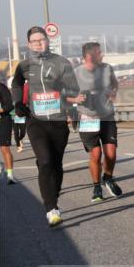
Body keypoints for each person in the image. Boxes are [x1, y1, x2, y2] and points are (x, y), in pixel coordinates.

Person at [11, 26, 84, 226]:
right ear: (29, 44)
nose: (38, 44)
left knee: (56, 165)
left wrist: (73, 109)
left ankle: (54, 196)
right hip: (36, 121)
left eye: (41, 40)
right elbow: (16, 84)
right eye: (34, 41)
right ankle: (51, 208)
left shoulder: (62, 63)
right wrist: (18, 103)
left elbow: (72, 89)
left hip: (59, 121)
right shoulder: (24, 65)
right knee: (45, 161)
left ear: (47, 40)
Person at [74, 42, 124, 202]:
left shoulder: (107, 68)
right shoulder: (76, 73)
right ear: (89, 56)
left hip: (107, 116)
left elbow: (115, 83)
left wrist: (113, 92)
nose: (102, 55)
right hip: (87, 118)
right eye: (99, 52)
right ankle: (96, 187)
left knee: (111, 153)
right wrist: (76, 100)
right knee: (96, 154)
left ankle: (108, 177)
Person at [0, 73, 16, 184]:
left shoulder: (2, 88)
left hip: (3, 121)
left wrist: (0, 111)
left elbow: (10, 105)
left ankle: (10, 175)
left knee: (4, 147)